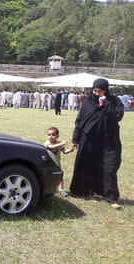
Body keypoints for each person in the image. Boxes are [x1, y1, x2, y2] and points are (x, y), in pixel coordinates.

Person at [70, 78, 124, 208]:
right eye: (95, 90)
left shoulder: (114, 101)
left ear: (106, 90)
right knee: (88, 166)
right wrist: (75, 139)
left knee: (109, 168)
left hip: (109, 140)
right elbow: (79, 122)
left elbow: (118, 116)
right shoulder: (88, 102)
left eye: (100, 91)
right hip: (89, 140)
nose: (97, 93)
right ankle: (85, 192)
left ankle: (111, 198)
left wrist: (106, 104)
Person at [45, 127, 74, 196]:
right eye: (49, 135)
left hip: (57, 163)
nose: (50, 136)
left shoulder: (59, 143)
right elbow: (51, 147)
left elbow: (64, 151)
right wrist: (62, 144)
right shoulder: (47, 142)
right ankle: (46, 188)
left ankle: (61, 190)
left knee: (59, 176)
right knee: (48, 176)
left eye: (53, 135)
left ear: (58, 136)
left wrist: (70, 150)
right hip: (48, 163)